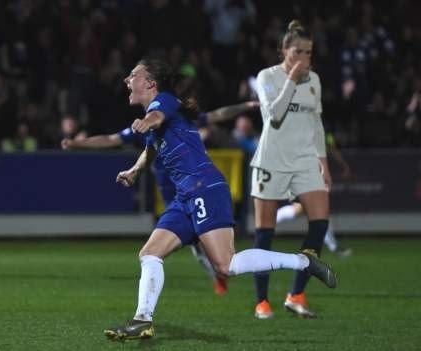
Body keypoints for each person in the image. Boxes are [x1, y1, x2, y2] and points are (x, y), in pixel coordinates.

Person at [103, 57, 336, 341]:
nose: (127, 80)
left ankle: (303, 262)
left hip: (205, 188)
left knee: (225, 266)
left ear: (150, 83)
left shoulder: (162, 102)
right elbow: (152, 148)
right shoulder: (158, 119)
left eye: (133, 75)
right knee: (150, 254)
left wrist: (145, 121)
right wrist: (135, 170)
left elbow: (156, 119)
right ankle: (142, 320)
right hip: (184, 196)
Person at [62, 101, 259, 296]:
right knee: (194, 246)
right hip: (173, 195)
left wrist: (244, 106)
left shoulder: (180, 120)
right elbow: (111, 139)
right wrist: (77, 143)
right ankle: (218, 274)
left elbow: (218, 114)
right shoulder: (146, 127)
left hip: (194, 188)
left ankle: (222, 271)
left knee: (201, 242)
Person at [250, 20, 332, 319]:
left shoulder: (315, 80)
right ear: (284, 50)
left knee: (320, 224)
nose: (304, 58)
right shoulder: (267, 77)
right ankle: (261, 301)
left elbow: (317, 124)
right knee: (265, 234)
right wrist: (292, 79)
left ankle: (296, 293)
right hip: (271, 160)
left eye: (309, 53)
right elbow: (274, 115)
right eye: (298, 51)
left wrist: (323, 162)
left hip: (304, 161)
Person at [276, 132, 352, 259]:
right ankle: (265, 225)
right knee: (306, 210)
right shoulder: (300, 127)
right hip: (301, 175)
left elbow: (332, 149)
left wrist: (343, 165)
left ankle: (334, 247)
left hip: (313, 176)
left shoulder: (324, 132)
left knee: (318, 212)